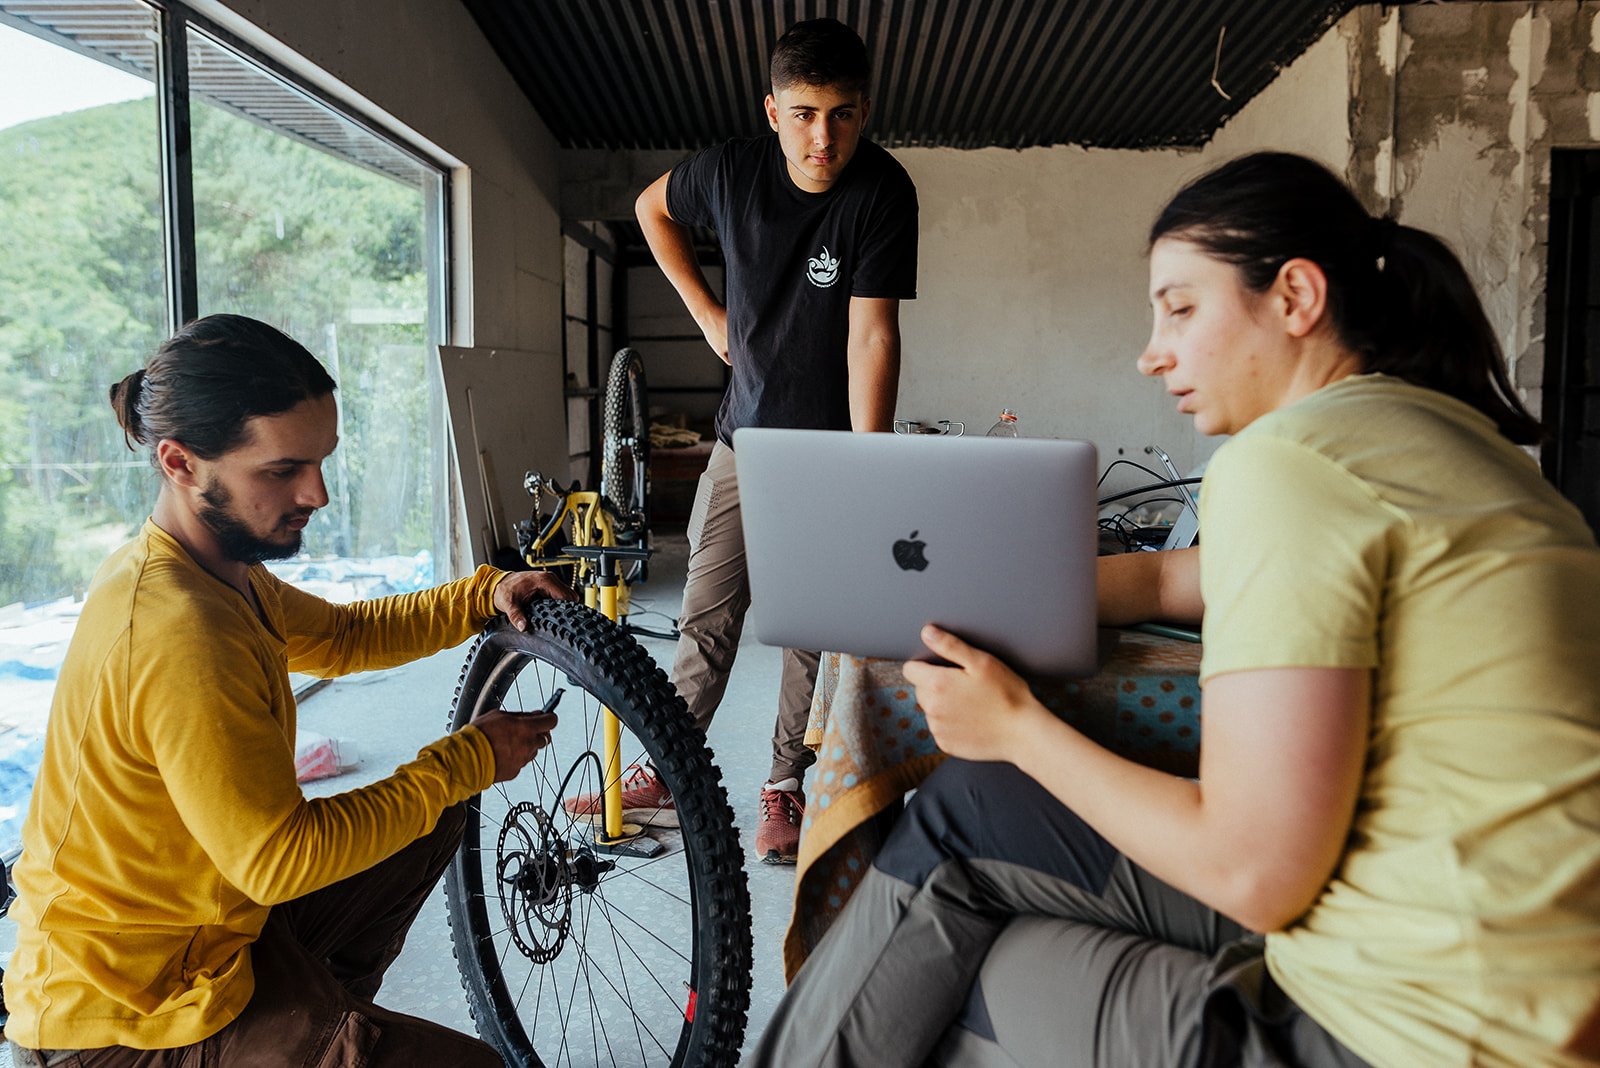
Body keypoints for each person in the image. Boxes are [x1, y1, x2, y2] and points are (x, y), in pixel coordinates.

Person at [752, 152, 1600, 1066]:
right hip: (1531, 990)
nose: (1152, 351)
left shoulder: (1290, 466)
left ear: (1296, 297)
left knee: (958, 961)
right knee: (974, 813)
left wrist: (1018, 726)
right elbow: (1168, 581)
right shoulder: (1455, 451)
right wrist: (953, 592)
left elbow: (1254, 873)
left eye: (1182, 308)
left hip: (1413, 1032)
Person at [3, 314, 573, 1066]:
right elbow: (278, 861)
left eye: (322, 460)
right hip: (125, 1018)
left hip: (203, 934)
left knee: (432, 814)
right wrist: (464, 759)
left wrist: (480, 595)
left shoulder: (211, 570)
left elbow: (342, 638)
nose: (318, 493)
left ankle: (321, 1020)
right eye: (281, 471)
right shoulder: (179, 631)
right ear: (180, 462)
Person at [567, 17, 918, 863]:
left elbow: (872, 335)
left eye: (840, 115)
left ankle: (783, 787)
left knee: (806, 628)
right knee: (706, 615)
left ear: (864, 110)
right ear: (771, 109)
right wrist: (705, 311)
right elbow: (651, 209)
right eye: (803, 114)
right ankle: (668, 766)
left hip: (828, 451)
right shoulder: (728, 172)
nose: (822, 137)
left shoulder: (883, 192)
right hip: (740, 441)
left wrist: (864, 466)